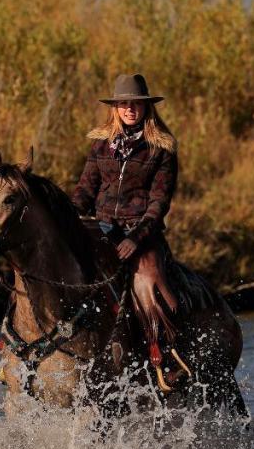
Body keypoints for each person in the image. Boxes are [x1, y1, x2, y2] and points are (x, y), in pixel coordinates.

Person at [71, 73, 181, 349]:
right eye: (124, 104)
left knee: (150, 287)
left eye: (136, 103)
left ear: (146, 108)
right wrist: (69, 218)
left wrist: (136, 238)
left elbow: (159, 202)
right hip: (102, 226)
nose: (130, 109)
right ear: (115, 109)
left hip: (142, 232)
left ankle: (165, 354)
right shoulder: (100, 144)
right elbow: (85, 189)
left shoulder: (161, 148)